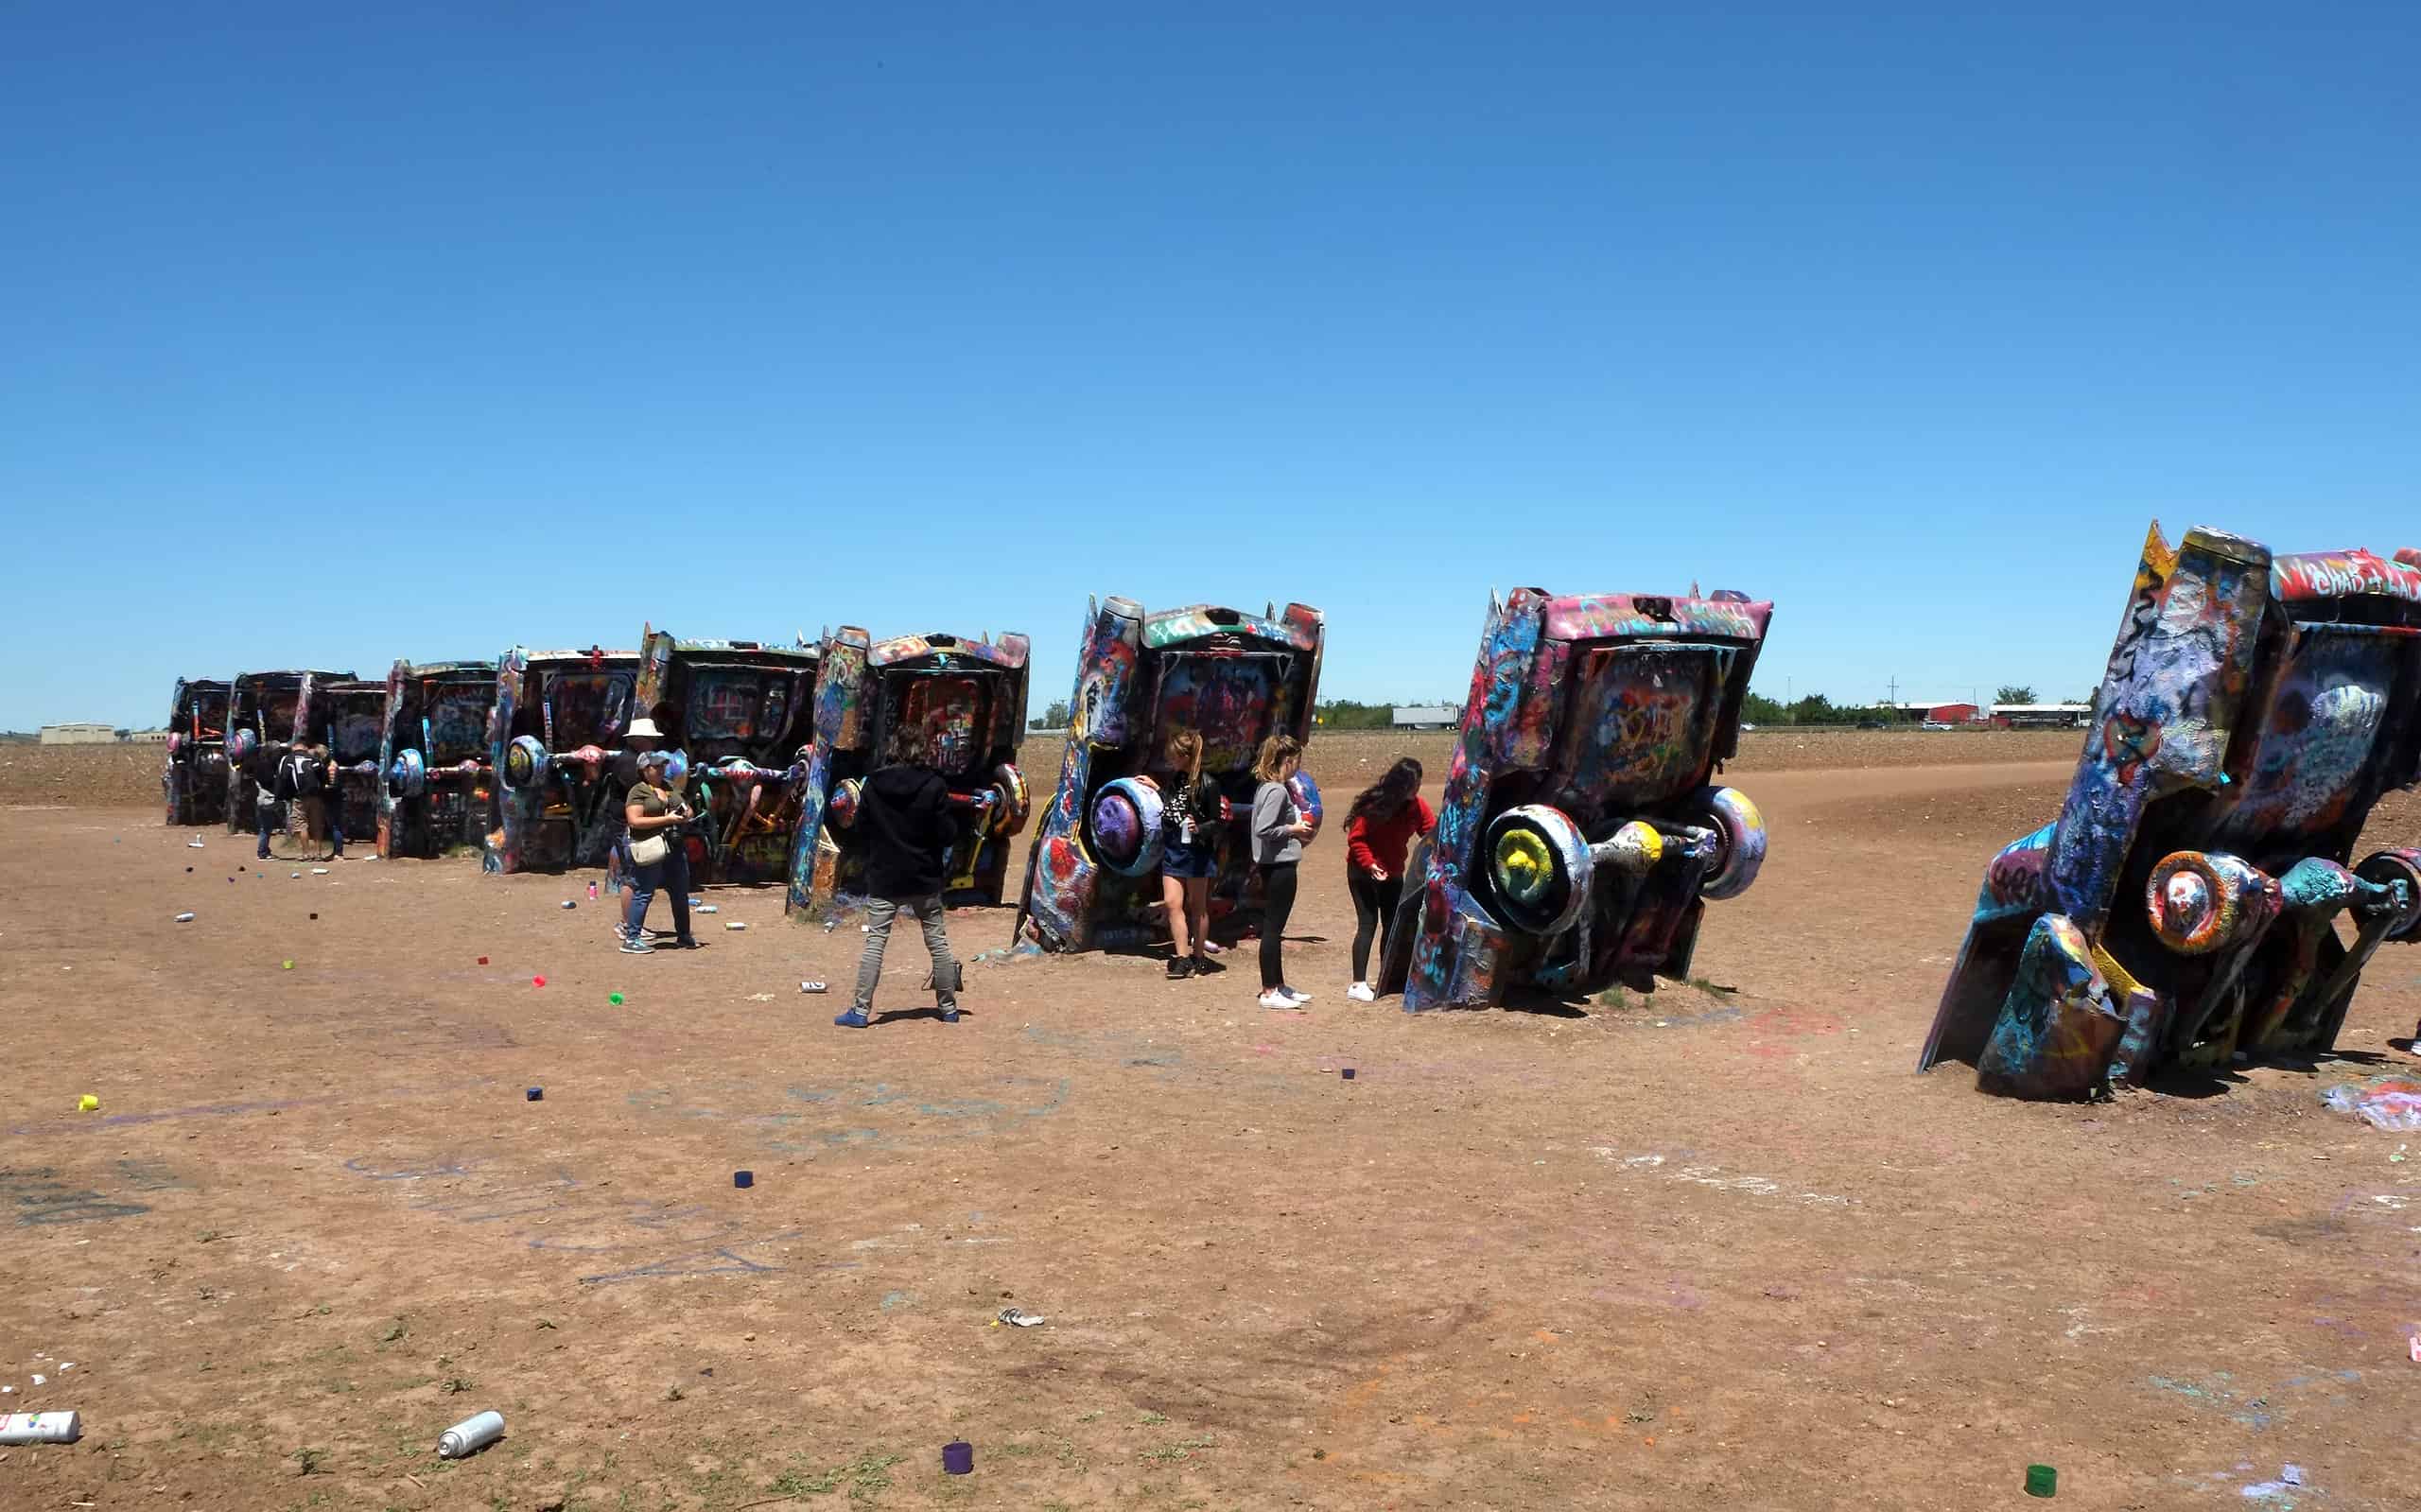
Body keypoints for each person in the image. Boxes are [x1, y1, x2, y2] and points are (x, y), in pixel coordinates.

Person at [835, 726, 960, 1029]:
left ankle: (860, 1012)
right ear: (922, 750)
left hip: (884, 877)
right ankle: (949, 1009)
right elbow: (947, 834)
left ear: (894, 748)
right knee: (937, 943)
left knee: (875, 942)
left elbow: (861, 830)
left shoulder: (874, 784)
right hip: (924, 877)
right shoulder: (935, 785)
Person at [1342, 758, 1433, 1001]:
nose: (1417, 789)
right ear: (1401, 784)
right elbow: (1356, 839)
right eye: (1414, 784)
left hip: (1392, 873)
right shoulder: (1375, 805)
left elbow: (1430, 834)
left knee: (1393, 926)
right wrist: (1370, 864)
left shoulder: (1417, 806)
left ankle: (1387, 975)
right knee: (1367, 923)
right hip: (1362, 872)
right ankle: (1358, 984)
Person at [1249, 735, 1315, 1009]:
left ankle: (1279, 985)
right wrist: (1294, 829)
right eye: (1297, 761)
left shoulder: (1266, 787)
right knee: (1273, 928)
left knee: (1274, 926)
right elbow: (1263, 829)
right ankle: (1269, 991)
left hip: (1272, 865)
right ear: (1287, 761)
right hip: (1279, 866)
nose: (1298, 767)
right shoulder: (1277, 791)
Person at [1156, 729, 1225, 980]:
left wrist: (1200, 828)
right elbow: (1169, 806)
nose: (1170, 759)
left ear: (1186, 756)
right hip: (1174, 850)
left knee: (1198, 907)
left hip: (1197, 853)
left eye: (1174, 755)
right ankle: (1182, 958)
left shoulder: (1208, 784)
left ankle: (1199, 956)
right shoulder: (1174, 781)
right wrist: (1156, 789)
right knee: (1173, 904)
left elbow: (1218, 822)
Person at [619, 749, 701, 954]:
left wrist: (685, 813)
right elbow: (635, 820)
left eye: (664, 765)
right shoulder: (638, 791)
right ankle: (632, 938)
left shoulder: (670, 787)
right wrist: (667, 819)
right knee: (644, 891)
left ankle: (683, 934)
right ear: (644, 770)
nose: (662, 769)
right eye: (657, 766)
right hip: (649, 846)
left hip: (674, 846)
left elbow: (686, 808)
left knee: (680, 891)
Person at [247, 742, 282, 860]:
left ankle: (265, 849)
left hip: (264, 797)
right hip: (265, 797)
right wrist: (276, 781)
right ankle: (262, 851)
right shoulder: (264, 765)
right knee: (265, 827)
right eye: (277, 751)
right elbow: (267, 781)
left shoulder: (269, 763)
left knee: (267, 825)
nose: (279, 753)